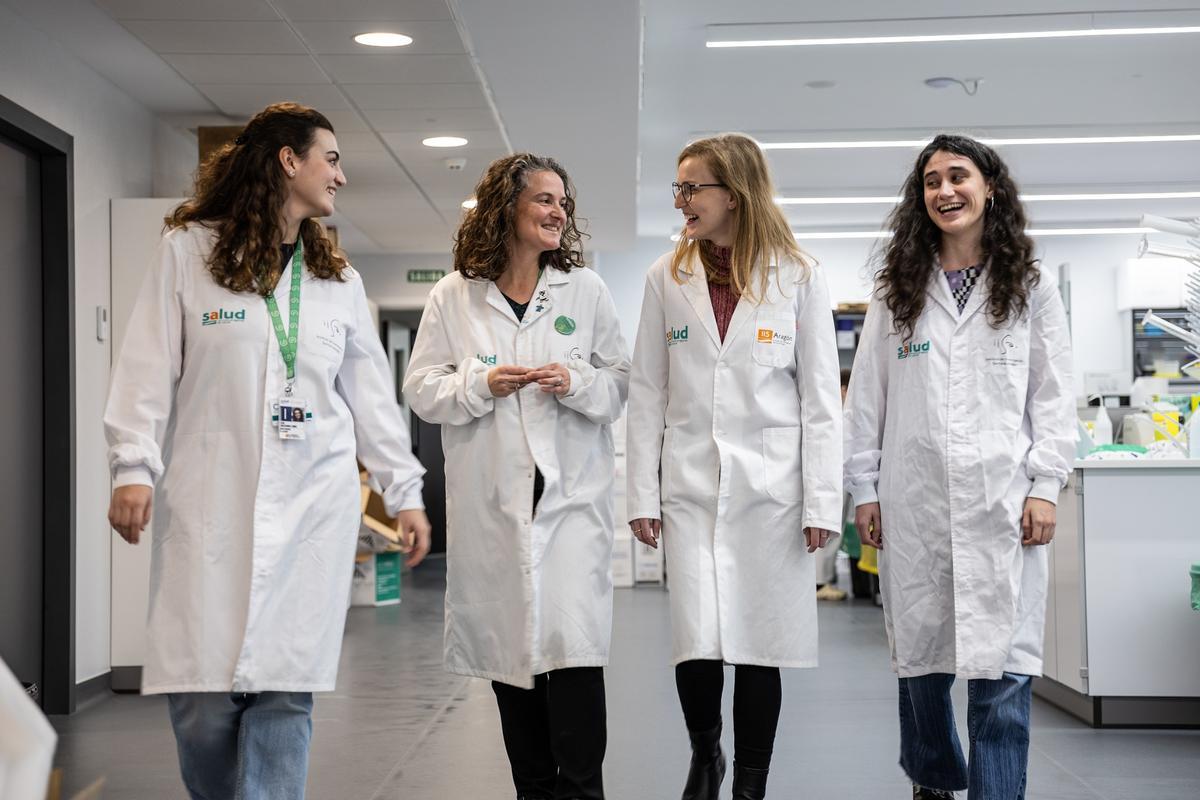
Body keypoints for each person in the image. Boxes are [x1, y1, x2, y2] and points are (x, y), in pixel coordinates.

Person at [104, 102, 432, 800]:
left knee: (286, 691)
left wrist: (405, 492)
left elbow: (372, 398)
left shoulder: (336, 280)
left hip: (313, 504)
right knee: (202, 701)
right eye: (331, 159)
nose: (341, 176)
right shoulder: (188, 253)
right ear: (289, 160)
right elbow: (145, 366)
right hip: (212, 499)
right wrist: (133, 465)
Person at [843, 134, 1075, 800]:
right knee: (921, 664)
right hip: (915, 498)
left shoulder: (1030, 286)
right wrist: (864, 488)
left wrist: (1046, 485)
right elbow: (867, 398)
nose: (944, 191)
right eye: (931, 181)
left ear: (989, 187)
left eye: (958, 176)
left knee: (1002, 671)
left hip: (1002, 500)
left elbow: (1054, 394)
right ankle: (934, 778)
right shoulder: (897, 290)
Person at [403, 153, 630, 800]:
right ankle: (533, 790)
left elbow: (619, 383)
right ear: (507, 208)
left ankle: (583, 792)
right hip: (495, 506)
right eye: (544, 200)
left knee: (575, 655)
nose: (559, 211)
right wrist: (480, 384)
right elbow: (422, 390)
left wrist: (576, 381)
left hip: (570, 503)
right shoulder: (454, 295)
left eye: (563, 202)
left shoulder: (585, 289)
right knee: (512, 661)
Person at [626, 133, 843, 800]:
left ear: (735, 194)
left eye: (693, 187)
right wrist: (640, 494)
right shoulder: (666, 277)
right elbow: (647, 392)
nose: (681, 200)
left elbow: (820, 400)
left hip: (771, 490)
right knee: (695, 639)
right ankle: (705, 754)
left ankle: (751, 779)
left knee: (759, 641)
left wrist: (821, 502)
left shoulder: (798, 274)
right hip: (691, 485)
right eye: (679, 187)